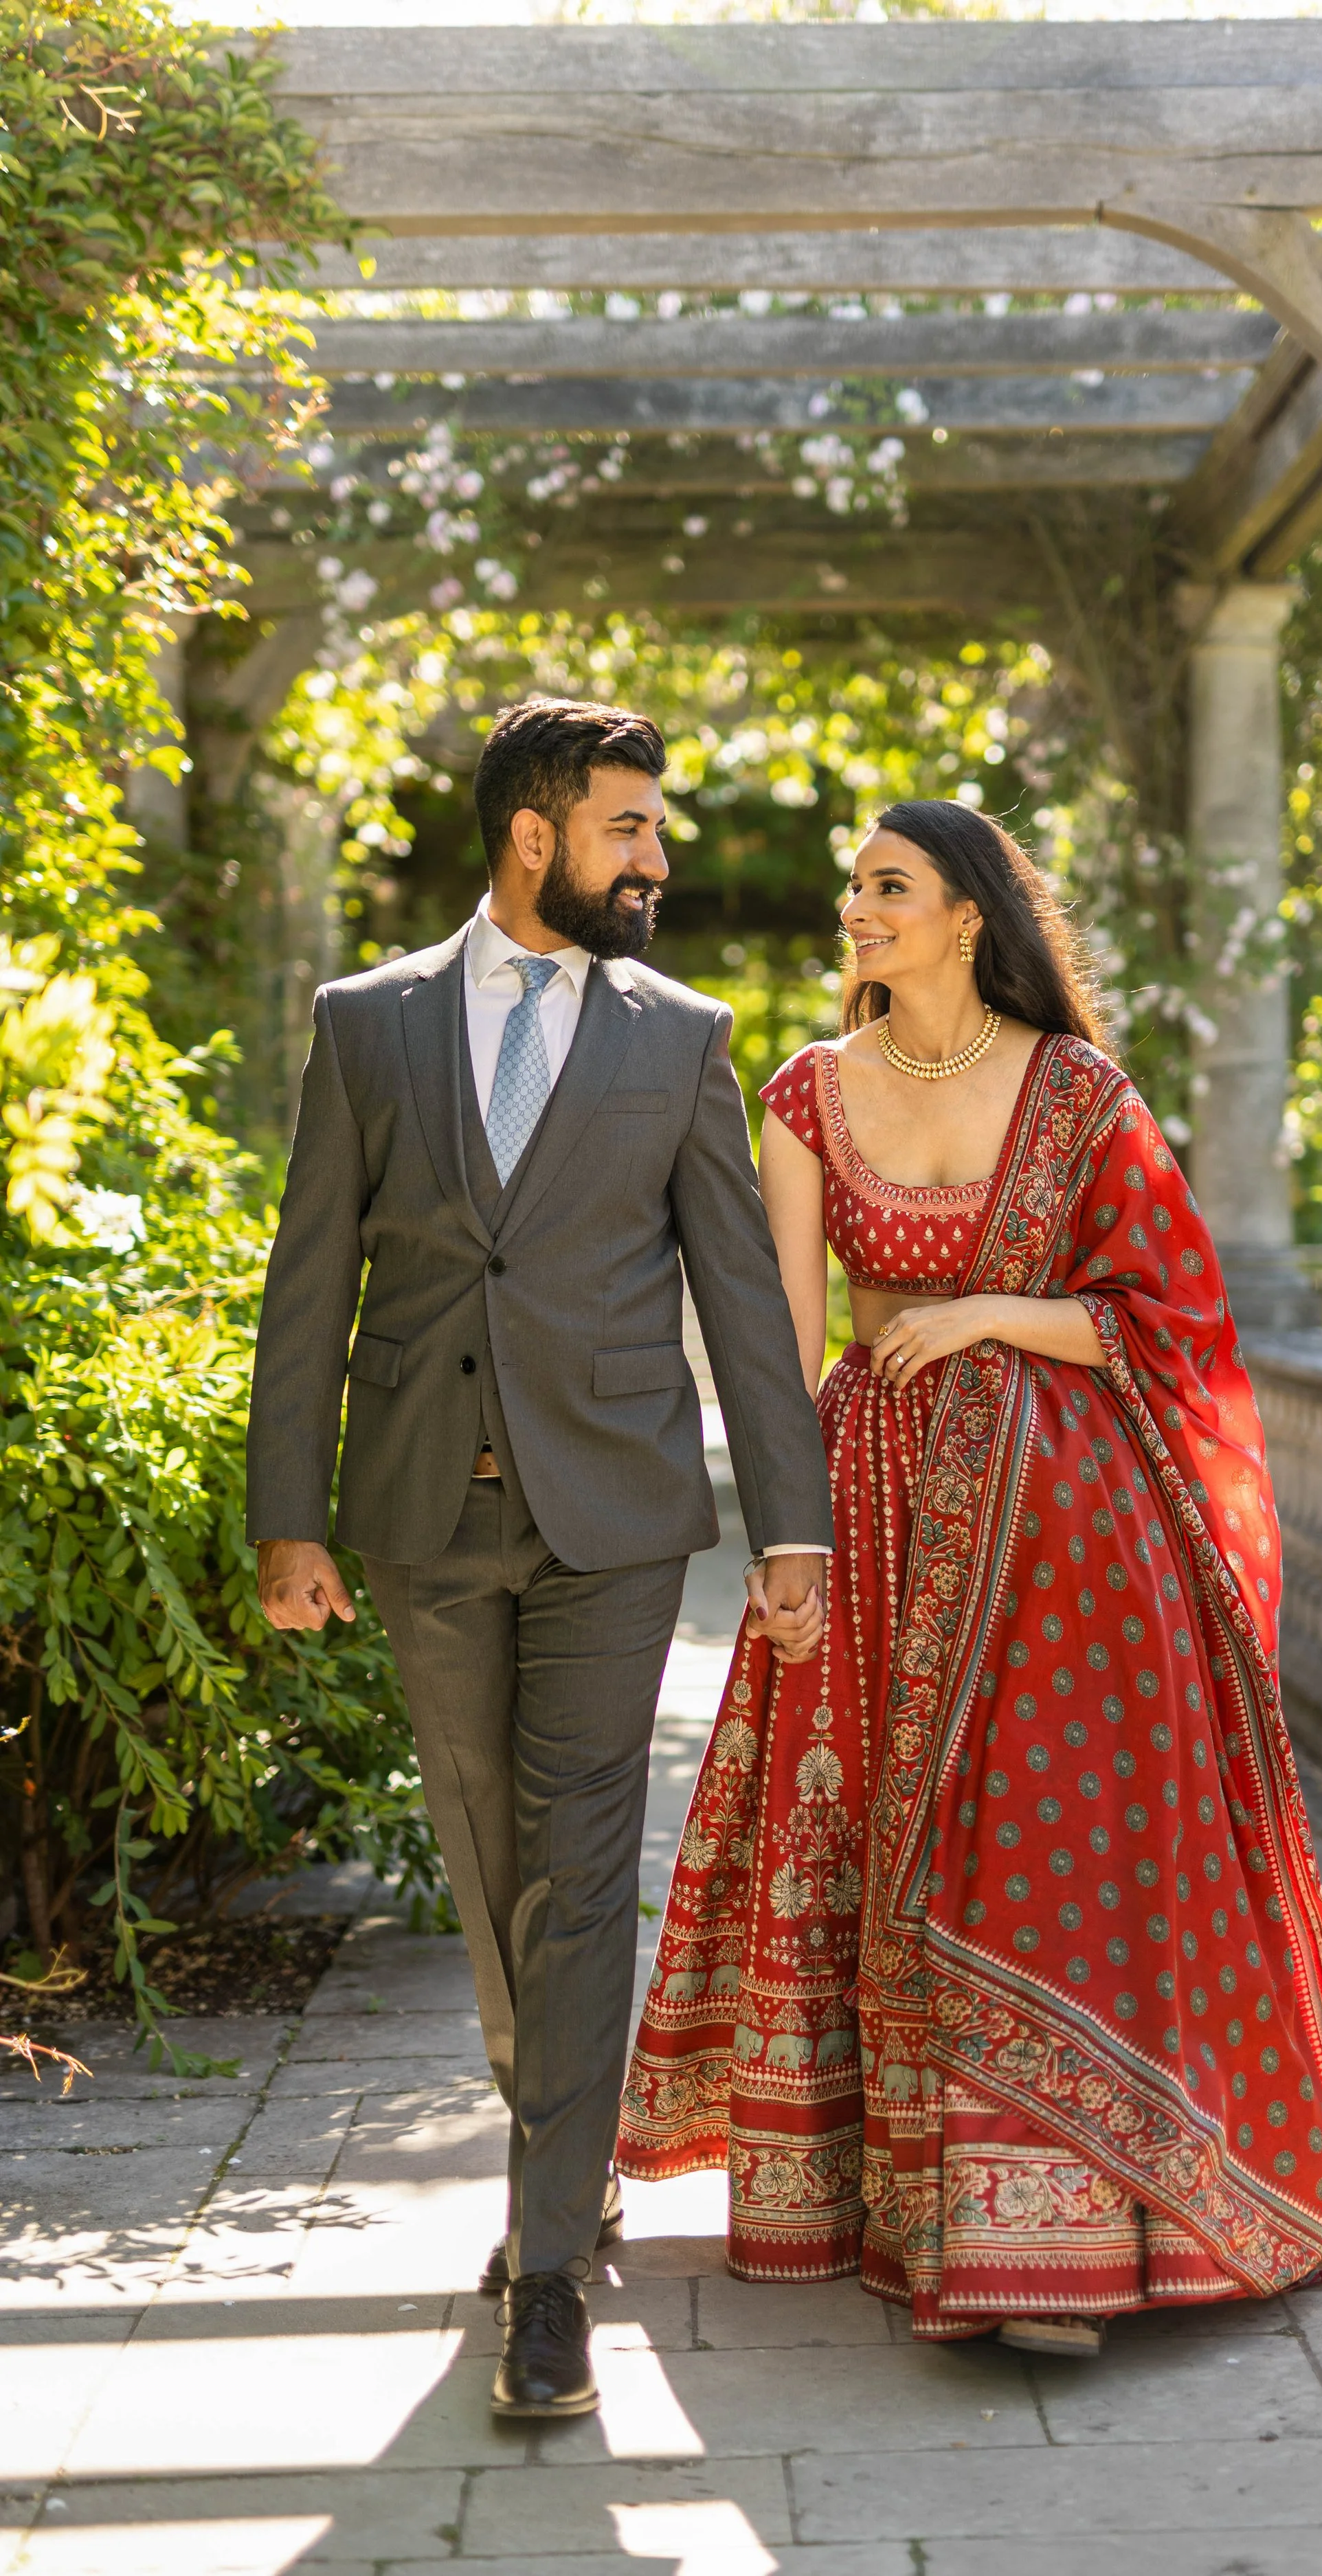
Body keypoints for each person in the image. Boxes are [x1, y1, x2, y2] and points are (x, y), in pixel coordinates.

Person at [619, 798, 1322, 2351]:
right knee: (851, 1817)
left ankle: (1066, 2230)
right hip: (865, 1500)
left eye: (885, 887)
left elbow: (1168, 1316)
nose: (856, 910)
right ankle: (870, 2194)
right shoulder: (804, 1094)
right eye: (854, 887)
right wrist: (784, 1535)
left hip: (1069, 1522)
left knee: (1050, 1833)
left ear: (967, 913)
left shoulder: (1077, 1094)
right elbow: (772, 1339)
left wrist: (983, 1316)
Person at [245, 698, 834, 2417]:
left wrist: (785, 1527)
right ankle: (558, 2152)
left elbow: (738, 1289)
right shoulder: (370, 1026)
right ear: (533, 836)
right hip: (425, 1511)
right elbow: (311, 1281)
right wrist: (292, 1517)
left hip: (615, 1518)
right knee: (492, 1858)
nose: (659, 860)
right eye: (629, 830)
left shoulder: (683, 1036)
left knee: (579, 1867)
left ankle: (551, 2271)